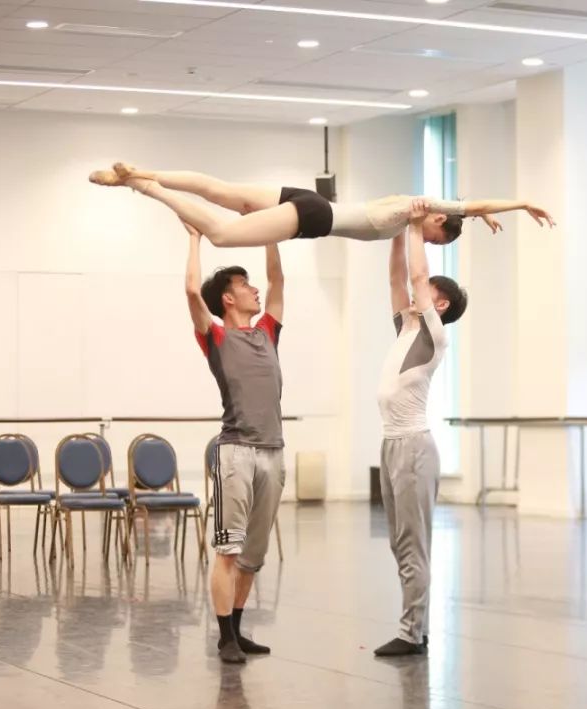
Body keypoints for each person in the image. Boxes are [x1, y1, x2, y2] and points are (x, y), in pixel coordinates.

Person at [181, 217, 286, 665]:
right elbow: (192, 291)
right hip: (236, 451)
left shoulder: (267, 332)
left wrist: (272, 234)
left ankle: (239, 631)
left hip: (273, 451)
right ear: (228, 298)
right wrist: (195, 238)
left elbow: (278, 280)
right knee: (229, 549)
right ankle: (224, 637)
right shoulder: (217, 336)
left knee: (253, 555)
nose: (255, 289)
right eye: (245, 285)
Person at [372, 199, 467, 657]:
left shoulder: (434, 333)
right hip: (391, 445)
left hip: (413, 447)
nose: (417, 291)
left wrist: (414, 225)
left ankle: (412, 633)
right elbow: (397, 277)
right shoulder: (406, 328)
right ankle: (418, 626)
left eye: (427, 291)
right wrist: (397, 228)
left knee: (413, 545)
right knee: (399, 543)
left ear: (439, 303)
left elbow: (415, 273)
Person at [88, 162, 554, 248]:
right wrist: (520, 203)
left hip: (308, 200)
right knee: (222, 235)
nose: (428, 241)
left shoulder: (406, 209)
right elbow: (466, 204)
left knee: (219, 190)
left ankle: (137, 172)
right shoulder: (415, 207)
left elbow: (467, 205)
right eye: (435, 238)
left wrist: (480, 213)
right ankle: (143, 186)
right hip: (313, 216)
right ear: (436, 219)